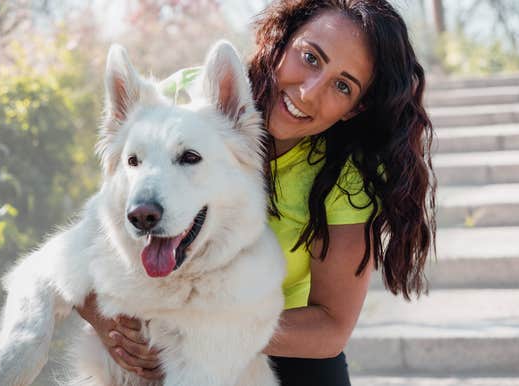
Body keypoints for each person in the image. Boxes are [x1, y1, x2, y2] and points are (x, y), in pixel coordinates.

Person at [76, 0, 436, 384]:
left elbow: (331, 327)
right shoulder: (182, 101)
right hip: (142, 334)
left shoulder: (346, 178)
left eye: (342, 85)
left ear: (355, 108)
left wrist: (200, 331)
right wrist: (110, 322)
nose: (310, 92)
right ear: (281, 40)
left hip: (280, 344)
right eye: (311, 58)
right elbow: (84, 246)